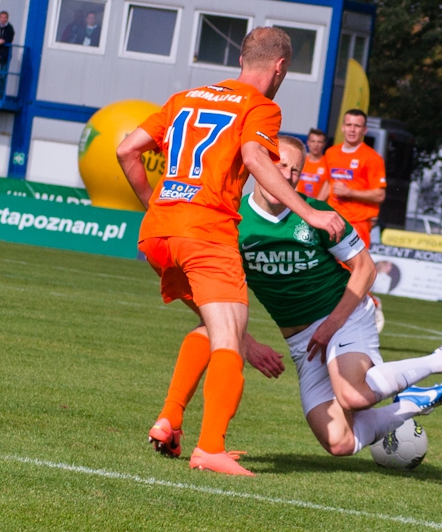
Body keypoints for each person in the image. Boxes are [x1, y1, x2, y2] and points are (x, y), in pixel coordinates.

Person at [116, 27, 345, 477]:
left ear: (243, 58)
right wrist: (311, 213)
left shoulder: (185, 97)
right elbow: (258, 159)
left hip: (160, 233)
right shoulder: (261, 106)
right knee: (229, 339)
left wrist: (158, 208)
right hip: (206, 233)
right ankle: (210, 448)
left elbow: (127, 150)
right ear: (280, 67)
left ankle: (170, 420)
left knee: (211, 326)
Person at [239, 136, 442, 457]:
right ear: (260, 165)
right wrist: (248, 346)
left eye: (296, 170)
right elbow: (211, 294)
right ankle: (410, 405)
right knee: (340, 443)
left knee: (352, 396)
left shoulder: (316, 213)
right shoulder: (233, 223)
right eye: (280, 165)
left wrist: (331, 324)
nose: (287, 176)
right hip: (301, 343)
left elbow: (365, 268)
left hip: (344, 316)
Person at [322, 110, 387, 331]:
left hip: (358, 223)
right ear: (342, 127)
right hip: (332, 221)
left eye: (357, 126)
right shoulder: (331, 153)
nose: (352, 129)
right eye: (348, 124)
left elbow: (379, 194)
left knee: (355, 273)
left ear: (364, 130)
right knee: (330, 272)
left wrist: (350, 192)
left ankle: (372, 304)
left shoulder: (372, 158)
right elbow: (327, 185)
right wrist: (310, 209)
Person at [295, 128, 329, 200]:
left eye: (319, 142)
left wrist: (316, 205)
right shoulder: (300, 161)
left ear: (324, 144)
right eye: (313, 141)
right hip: (298, 202)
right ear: (308, 142)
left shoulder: (328, 163)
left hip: (317, 205)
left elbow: (328, 187)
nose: (316, 145)